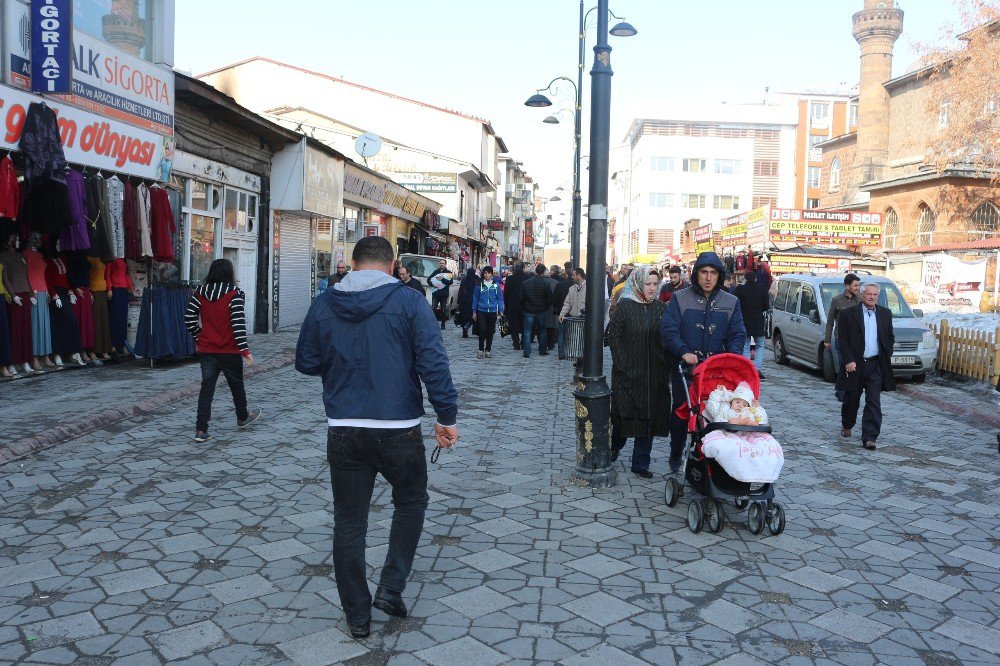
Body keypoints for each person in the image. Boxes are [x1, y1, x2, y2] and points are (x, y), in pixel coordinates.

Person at [295, 236, 459, 640]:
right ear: (391, 265)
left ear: (353, 263)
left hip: (345, 429)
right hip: (398, 428)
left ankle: (357, 615)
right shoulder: (408, 301)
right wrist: (446, 416)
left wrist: (344, 363)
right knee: (411, 500)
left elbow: (306, 361)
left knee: (349, 522)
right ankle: (391, 586)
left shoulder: (325, 302)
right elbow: (432, 360)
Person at [660, 251, 747, 472]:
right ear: (696, 274)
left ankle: (715, 460)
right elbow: (669, 331)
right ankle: (676, 452)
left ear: (719, 275)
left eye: (713, 273)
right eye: (704, 272)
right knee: (681, 413)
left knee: (717, 415)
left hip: (717, 371)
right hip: (686, 369)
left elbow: (737, 334)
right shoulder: (680, 298)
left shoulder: (731, 301)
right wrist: (683, 351)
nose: (708, 278)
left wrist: (732, 356)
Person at [184, 258, 261, 443]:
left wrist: (198, 336)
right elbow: (238, 324)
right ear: (229, 274)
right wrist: (244, 350)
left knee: (207, 389)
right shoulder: (234, 294)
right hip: (229, 350)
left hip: (207, 350)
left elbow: (189, 318)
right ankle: (242, 417)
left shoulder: (200, 292)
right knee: (236, 385)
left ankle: (201, 430)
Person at [608, 266, 670, 478]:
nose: (652, 288)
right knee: (622, 416)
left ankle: (641, 463)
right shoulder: (625, 307)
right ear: (638, 283)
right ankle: (612, 448)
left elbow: (668, 336)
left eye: (655, 284)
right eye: (648, 284)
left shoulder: (662, 308)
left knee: (649, 418)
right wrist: (622, 363)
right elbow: (613, 337)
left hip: (654, 374)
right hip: (627, 374)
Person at [838, 282, 895, 451]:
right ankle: (847, 424)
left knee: (873, 402)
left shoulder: (885, 314)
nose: (872, 297)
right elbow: (843, 340)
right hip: (855, 365)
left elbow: (889, 337)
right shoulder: (849, 314)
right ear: (862, 295)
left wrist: (887, 353)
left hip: (875, 365)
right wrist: (848, 360)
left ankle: (870, 437)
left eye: (875, 295)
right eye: (869, 294)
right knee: (851, 400)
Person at [701, 382, 784, 483]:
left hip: (743, 435)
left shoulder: (747, 413)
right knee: (729, 445)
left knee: (762, 445)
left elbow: (762, 421)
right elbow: (712, 406)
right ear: (731, 401)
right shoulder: (724, 410)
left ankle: (750, 470)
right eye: (737, 402)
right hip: (725, 432)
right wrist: (718, 393)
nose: (740, 406)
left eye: (744, 404)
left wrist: (757, 409)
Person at [825, 273, 862, 401]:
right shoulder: (837, 300)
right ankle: (842, 391)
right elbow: (830, 321)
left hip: (856, 339)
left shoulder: (860, 300)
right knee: (844, 363)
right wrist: (827, 340)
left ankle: (844, 389)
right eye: (855, 285)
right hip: (840, 338)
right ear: (847, 286)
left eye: (859, 285)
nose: (858, 288)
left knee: (853, 365)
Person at [733, 271, 769, 379]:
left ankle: (746, 369)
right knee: (760, 346)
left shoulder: (740, 290)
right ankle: (757, 369)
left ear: (745, 279)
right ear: (756, 279)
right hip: (758, 321)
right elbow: (766, 307)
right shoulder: (762, 290)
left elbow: (736, 304)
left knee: (745, 346)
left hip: (744, 321)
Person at [520, 263, 552, 358]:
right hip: (541, 310)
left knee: (527, 331)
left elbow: (521, 297)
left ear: (536, 271)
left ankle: (527, 351)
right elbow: (549, 298)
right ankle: (542, 350)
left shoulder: (526, 282)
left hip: (529, 310)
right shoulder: (546, 283)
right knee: (542, 331)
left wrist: (524, 307)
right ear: (543, 272)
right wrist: (545, 307)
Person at [472, 265, 504, 358]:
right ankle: (481, 349)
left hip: (493, 311)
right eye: (485, 273)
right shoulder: (479, 285)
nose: (487, 275)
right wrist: (474, 311)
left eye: (489, 273)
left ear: (491, 274)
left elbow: (500, 298)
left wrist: (501, 310)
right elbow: (475, 298)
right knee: (482, 330)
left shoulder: (496, 285)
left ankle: (488, 350)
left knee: (490, 331)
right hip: (481, 310)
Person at [558, 268, 586, 360]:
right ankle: (577, 358)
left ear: (579, 276)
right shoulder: (572, 288)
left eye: (573, 275)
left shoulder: (589, 287)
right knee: (574, 338)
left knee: (583, 340)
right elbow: (567, 303)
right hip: (574, 318)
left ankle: (582, 358)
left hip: (584, 319)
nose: (572, 277)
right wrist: (562, 314)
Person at [503, 262, 528, 351]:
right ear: (523, 268)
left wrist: (506, 307)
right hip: (525, 306)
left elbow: (506, 294)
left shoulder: (510, 279)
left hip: (512, 305)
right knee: (525, 325)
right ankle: (524, 342)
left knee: (514, 325)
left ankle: (516, 343)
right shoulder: (527, 278)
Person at [552, 269, 573, 355]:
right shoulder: (575, 285)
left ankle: (561, 352)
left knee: (561, 333)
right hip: (573, 312)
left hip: (561, 311)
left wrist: (557, 309)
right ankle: (570, 351)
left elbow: (554, 299)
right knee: (572, 333)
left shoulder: (560, 284)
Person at [428, 259, 453, 331]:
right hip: (436, 293)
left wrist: (442, 279)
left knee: (443, 310)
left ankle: (443, 324)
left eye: (443, 263)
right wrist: (432, 284)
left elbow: (450, 282)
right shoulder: (436, 272)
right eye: (440, 263)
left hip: (444, 294)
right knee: (433, 309)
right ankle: (432, 324)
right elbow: (429, 279)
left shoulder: (448, 273)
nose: (441, 264)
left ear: (445, 264)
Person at [456, 267, 478, 338]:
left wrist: (458, 301)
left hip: (464, 301)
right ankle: (467, 326)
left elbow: (460, 291)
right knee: (472, 316)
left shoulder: (464, 280)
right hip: (473, 301)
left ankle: (464, 328)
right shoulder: (476, 279)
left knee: (464, 316)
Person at [546, 265, 563, 349]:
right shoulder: (559, 281)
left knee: (545, 326)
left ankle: (546, 343)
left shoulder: (549, 281)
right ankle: (552, 343)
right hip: (554, 306)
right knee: (553, 327)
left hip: (546, 306)